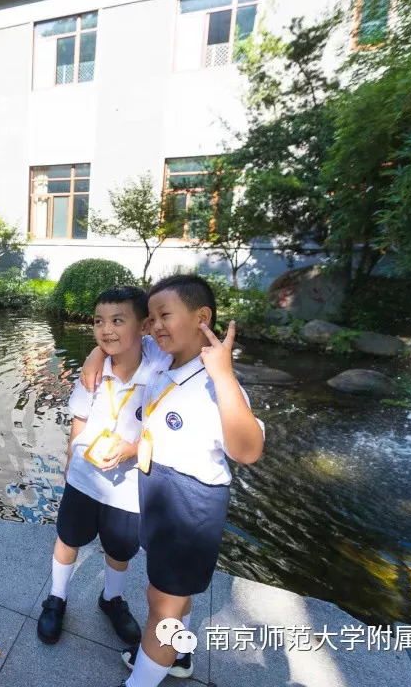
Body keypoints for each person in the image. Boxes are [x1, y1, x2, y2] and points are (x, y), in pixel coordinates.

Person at [84, 275, 265, 687]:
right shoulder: (165, 361)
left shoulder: (214, 383)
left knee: (162, 606)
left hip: (190, 505)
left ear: (202, 317)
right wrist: (96, 353)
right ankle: (179, 656)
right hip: (161, 491)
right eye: (152, 318)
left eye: (165, 315)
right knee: (169, 594)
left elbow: (249, 451)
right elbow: (120, 340)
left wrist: (223, 375)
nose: (156, 326)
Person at [38, 286, 169, 649]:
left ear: (142, 326)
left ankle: (111, 599)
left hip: (127, 486)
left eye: (117, 321)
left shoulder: (158, 367)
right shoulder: (92, 374)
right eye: (99, 322)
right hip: (84, 477)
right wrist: (69, 461)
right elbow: (78, 420)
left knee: (119, 548)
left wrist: (132, 449)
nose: (106, 330)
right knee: (68, 538)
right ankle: (57, 597)